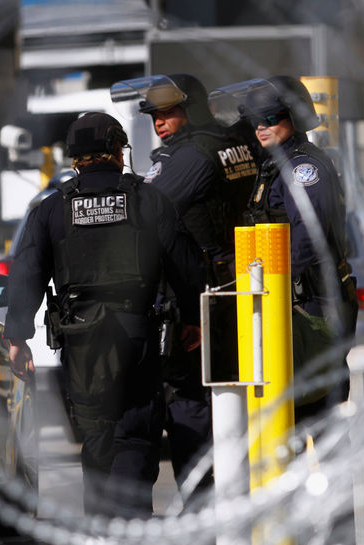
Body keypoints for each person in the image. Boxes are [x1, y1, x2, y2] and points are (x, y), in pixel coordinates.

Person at [4, 112, 205, 517]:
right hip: (136, 336)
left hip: (79, 341)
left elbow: (26, 274)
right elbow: (187, 265)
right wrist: (192, 318)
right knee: (135, 434)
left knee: (96, 436)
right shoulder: (146, 198)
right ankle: (130, 526)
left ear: (74, 158)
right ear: (118, 150)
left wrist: (17, 338)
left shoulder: (52, 210)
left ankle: (102, 528)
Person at [111, 73, 260, 504]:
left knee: (190, 399)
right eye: (156, 115)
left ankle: (202, 505)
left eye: (169, 113)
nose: (160, 122)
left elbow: (145, 213)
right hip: (234, 283)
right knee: (226, 395)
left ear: (191, 110)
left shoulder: (191, 155)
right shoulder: (236, 144)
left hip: (198, 292)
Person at [212, 76, 359, 423]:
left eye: (271, 118)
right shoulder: (276, 165)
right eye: (256, 120)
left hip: (309, 306)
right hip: (288, 303)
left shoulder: (304, 167)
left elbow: (308, 237)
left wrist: (270, 279)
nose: (261, 127)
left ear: (295, 117)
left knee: (318, 414)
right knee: (287, 419)